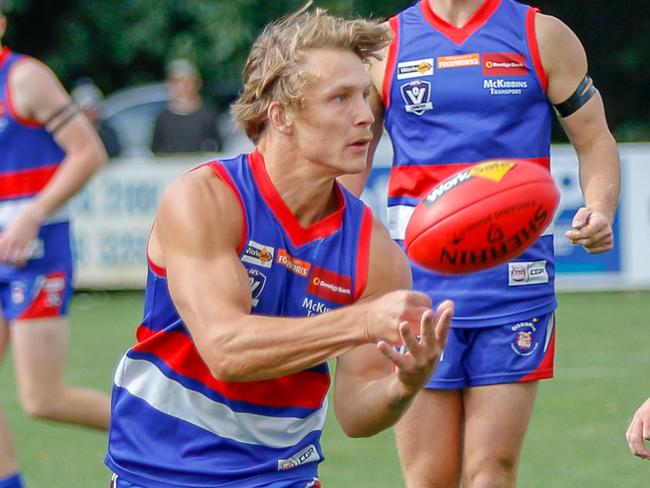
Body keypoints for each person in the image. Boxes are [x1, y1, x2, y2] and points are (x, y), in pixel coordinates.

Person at [105, 6, 453, 488]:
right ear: (282, 114)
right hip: (162, 474)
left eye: (365, 96)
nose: (365, 117)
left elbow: (356, 412)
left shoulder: (373, 251)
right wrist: (361, 321)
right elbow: (226, 350)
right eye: (340, 98)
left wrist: (404, 384)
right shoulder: (205, 199)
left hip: (284, 478)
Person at [339, 0, 621, 486]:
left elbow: (594, 139)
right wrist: (330, 240)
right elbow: (349, 157)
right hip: (413, 287)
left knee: (491, 470)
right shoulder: (383, 45)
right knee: (430, 476)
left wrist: (600, 207)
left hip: (515, 283)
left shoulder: (542, 34)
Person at [0, 4, 109, 488]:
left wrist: (33, 214)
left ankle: (177, 431)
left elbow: (88, 152)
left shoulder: (24, 77)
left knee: (42, 398)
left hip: (36, 249)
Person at [150, 58, 223, 155]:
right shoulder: (163, 118)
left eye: (186, 82)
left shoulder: (207, 115)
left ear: (196, 83)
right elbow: (156, 150)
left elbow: (217, 148)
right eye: (176, 82)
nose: (181, 87)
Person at [71, 78, 122, 158]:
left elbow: (115, 155)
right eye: (84, 110)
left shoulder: (108, 133)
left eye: (91, 108)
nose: (88, 113)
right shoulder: (74, 135)